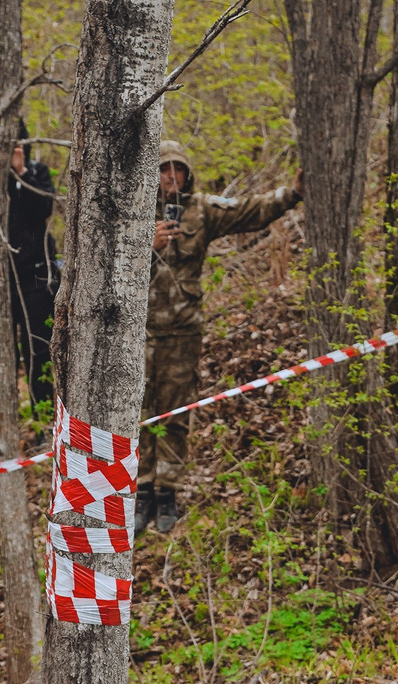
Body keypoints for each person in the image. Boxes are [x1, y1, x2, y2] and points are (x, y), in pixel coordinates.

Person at [139, 140, 300, 538]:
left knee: (175, 413)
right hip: (137, 331)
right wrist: (146, 245)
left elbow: (250, 211)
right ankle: (141, 491)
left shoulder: (201, 209)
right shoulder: (134, 210)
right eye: (163, 169)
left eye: (178, 169)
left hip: (182, 331)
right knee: (138, 412)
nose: (171, 176)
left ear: (187, 173)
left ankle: (167, 493)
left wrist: (293, 194)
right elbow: (104, 260)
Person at [7, 128, 58, 407]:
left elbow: (44, 207)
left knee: (37, 349)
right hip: (3, 280)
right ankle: (9, 413)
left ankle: (42, 413)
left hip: (37, 277)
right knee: (5, 350)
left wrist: (22, 172)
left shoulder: (38, 172)